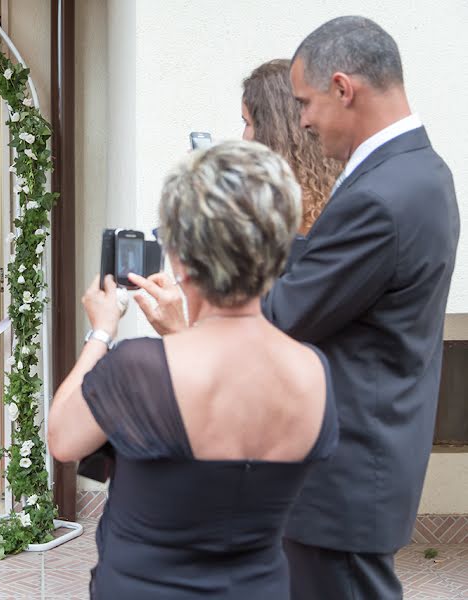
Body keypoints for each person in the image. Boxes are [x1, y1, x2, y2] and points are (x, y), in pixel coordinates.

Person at [134, 17, 460, 599]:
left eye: (306, 102)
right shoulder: (418, 172)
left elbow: (283, 319)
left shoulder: (382, 197)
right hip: (360, 458)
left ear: (343, 88)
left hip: (340, 474)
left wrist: (186, 322)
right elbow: (332, 286)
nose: (302, 119)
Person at [49, 140, 339, 599]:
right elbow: (228, 396)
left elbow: (63, 439)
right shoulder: (313, 372)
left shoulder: (140, 369)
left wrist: (101, 333)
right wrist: (180, 330)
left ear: (180, 256)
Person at [242, 58, 341, 235]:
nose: (244, 138)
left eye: (248, 123)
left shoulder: (282, 205)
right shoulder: (338, 185)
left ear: (272, 131)